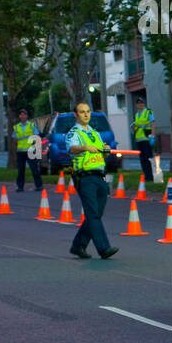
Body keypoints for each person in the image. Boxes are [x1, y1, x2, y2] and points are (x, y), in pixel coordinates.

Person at [66, 103, 118, 260]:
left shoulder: (95, 133)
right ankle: (104, 248)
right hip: (85, 177)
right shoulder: (74, 133)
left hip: (100, 176)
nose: (86, 114)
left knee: (96, 214)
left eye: (88, 111)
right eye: (82, 112)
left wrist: (106, 151)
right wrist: (85, 147)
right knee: (93, 213)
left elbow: (102, 154)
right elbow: (71, 149)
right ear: (76, 115)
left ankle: (78, 245)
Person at [13, 108, 43, 192]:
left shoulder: (31, 125)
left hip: (30, 151)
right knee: (20, 171)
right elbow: (15, 140)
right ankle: (20, 187)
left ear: (27, 116)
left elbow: (37, 137)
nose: (22, 116)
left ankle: (39, 185)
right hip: (20, 152)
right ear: (19, 116)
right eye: (21, 114)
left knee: (34, 169)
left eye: (24, 114)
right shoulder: (16, 127)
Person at [131, 97, 155, 181]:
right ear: (136, 105)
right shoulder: (137, 114)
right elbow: (137, 125)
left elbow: (152, 124)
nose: (140, 105)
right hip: (139, 139)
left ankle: (151, 176)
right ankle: (147, 176)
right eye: (138, 103)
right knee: (142, 159)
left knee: (148, 158)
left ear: (144, 104)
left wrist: (152, 136)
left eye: (141, 103)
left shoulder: (148, 112)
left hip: (146, 138)